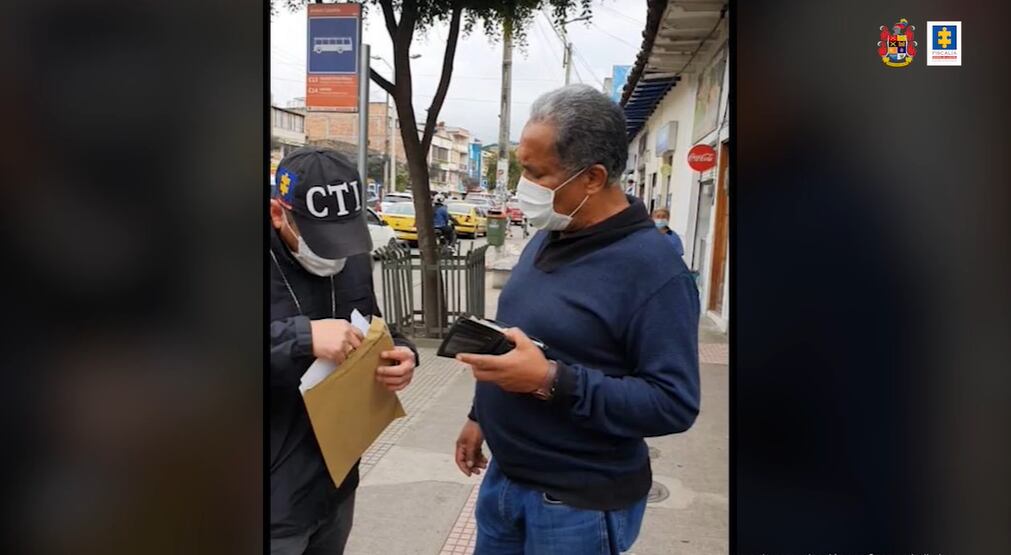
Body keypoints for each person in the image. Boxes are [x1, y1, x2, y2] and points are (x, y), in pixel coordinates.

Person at [454, 84, 701, 554]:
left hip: (576, 508)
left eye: (535, 172)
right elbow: (518, 341)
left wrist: (550, 380)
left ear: (591, 178)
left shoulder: (654, 271)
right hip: (504, 486)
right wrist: (479, 415)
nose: (522, 187)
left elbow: (674, 403)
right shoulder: (550, 235)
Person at [269, 147, 418, 554]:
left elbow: (375, 325)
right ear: (278, 214)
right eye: (322, 238)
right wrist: (301, 337)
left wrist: (402, 354)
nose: (336, 253)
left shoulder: (350, 260)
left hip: (335, 483)